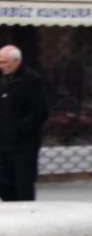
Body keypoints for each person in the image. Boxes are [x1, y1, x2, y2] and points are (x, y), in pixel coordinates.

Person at [0, 45, 49, 202]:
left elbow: (41, 110)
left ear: (16, 61)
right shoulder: (2, 79)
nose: (2, 66)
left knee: (23, 184)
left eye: (5, 62)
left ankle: (27, 217)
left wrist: (21, 129)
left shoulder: (32, 80)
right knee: (4, 184)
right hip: (2, 144)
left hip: (24, 145)